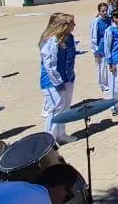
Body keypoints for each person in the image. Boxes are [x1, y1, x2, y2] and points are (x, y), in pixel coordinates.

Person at [39, 13, 79, 145]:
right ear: (63, 26)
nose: (74, 25)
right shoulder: (51, 41)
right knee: (56, 107)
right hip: (52, 81)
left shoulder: (69, 38)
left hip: (67, 77)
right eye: (72, 23)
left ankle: (61, 134)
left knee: (65, 107)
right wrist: (57, 81)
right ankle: (49, 139)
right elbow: (49, 64)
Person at [0, 163, 80, 203]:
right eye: (67, 196)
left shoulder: (21, 186)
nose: (63, 202)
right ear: (61, 186)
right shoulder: (42, 199)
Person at [89, 3, 111, 93]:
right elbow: (93, 36)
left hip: (109, 46)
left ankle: (109, 83)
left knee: (108, 65)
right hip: (101, 47)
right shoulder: (96, 21)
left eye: (106, 10)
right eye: (103, 11)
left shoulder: (109, 20)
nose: (105, 12)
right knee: (102, 67)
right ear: (99, 11)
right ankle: (103, 85)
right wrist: (95, 49)